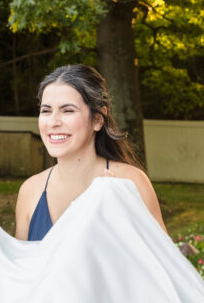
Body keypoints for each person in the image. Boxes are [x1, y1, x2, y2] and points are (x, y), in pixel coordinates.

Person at [14, 64, 166, 241]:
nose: (53, 122)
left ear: (97, 120)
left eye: (68, 110)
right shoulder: (30, 190)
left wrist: (124, 216)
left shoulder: (131, 182)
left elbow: (162, 263)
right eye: (46, 111)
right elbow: (20, 266)